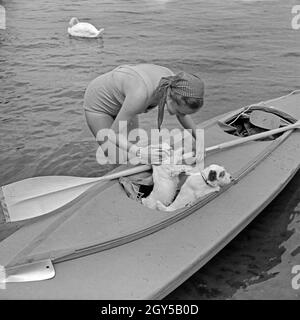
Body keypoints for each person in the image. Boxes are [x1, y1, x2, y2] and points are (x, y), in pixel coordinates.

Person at [83, 64, 204, 164]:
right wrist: (141, 152)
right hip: (99, 103)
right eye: (178, 112)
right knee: (117, 156)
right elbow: (112, 135)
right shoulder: (139, 96)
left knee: (131, 151)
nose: (178, 115)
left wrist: (200, 141)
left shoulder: (177, 85)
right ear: (170, 98)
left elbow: (183, 114)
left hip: (125, 102)